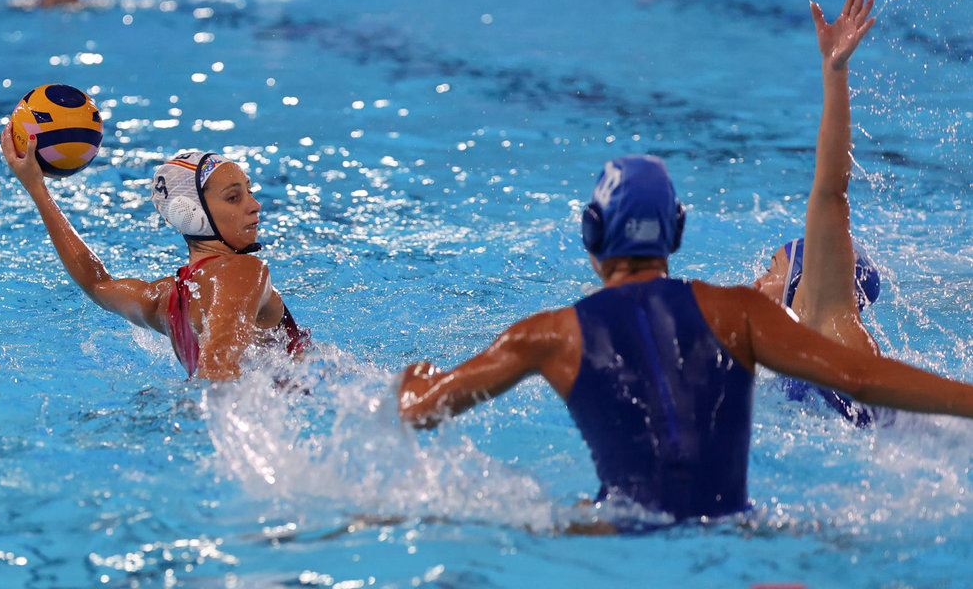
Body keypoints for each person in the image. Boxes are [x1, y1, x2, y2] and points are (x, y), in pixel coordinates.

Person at [397, 154, 973, 522]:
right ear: (675, 231)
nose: (760, 273)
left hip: (615, 535)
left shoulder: (549, 334)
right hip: (739, 528)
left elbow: (420, 411)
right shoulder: (738, 314)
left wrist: (412, 381)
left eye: (774, 264)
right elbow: (867, 381)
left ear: (591, 233)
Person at [1, 131, 306, 380]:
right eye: (234, 197)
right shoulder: (243, 270)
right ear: (191, 215)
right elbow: (217, 369)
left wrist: (37, 188)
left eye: (249, 191)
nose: (255, 205)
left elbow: (97, 284)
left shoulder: (163, 299)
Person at [751, 0, 883, 426]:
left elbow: (830, 190)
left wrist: (835, 72)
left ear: (808, 275)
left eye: (771, 268)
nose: (757, 280)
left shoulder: (832, 322)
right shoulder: (801, 348)